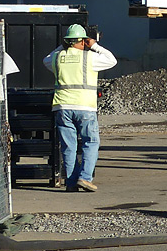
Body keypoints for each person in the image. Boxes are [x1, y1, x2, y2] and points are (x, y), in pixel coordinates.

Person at [43, 24, 117, 191]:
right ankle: (84, 178)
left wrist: (63, 45)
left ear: (67, 41)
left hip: (62, 106)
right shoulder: (89, 58)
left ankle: (70, 183)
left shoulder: (57, 57)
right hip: (85, 107)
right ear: (83, 41)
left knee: (69, 146)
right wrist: (95, 45)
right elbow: (112, 60)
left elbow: (46, 59)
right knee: (90, 142)